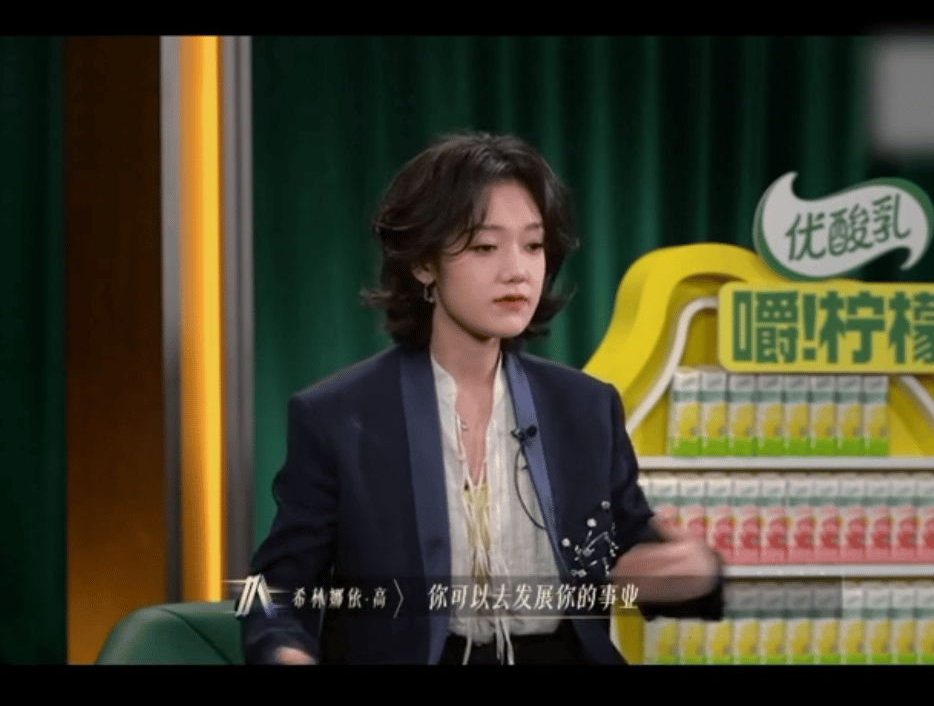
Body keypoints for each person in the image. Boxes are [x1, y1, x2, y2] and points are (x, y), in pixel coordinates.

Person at [240, 131, 723, 665]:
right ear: (425, 264)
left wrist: (689, 573)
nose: (517, 270)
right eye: (485, 247)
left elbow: (628, 553)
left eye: (533, 245)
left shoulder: (586, 408)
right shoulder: (339, 416)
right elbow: (270, 591)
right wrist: (286, 654)